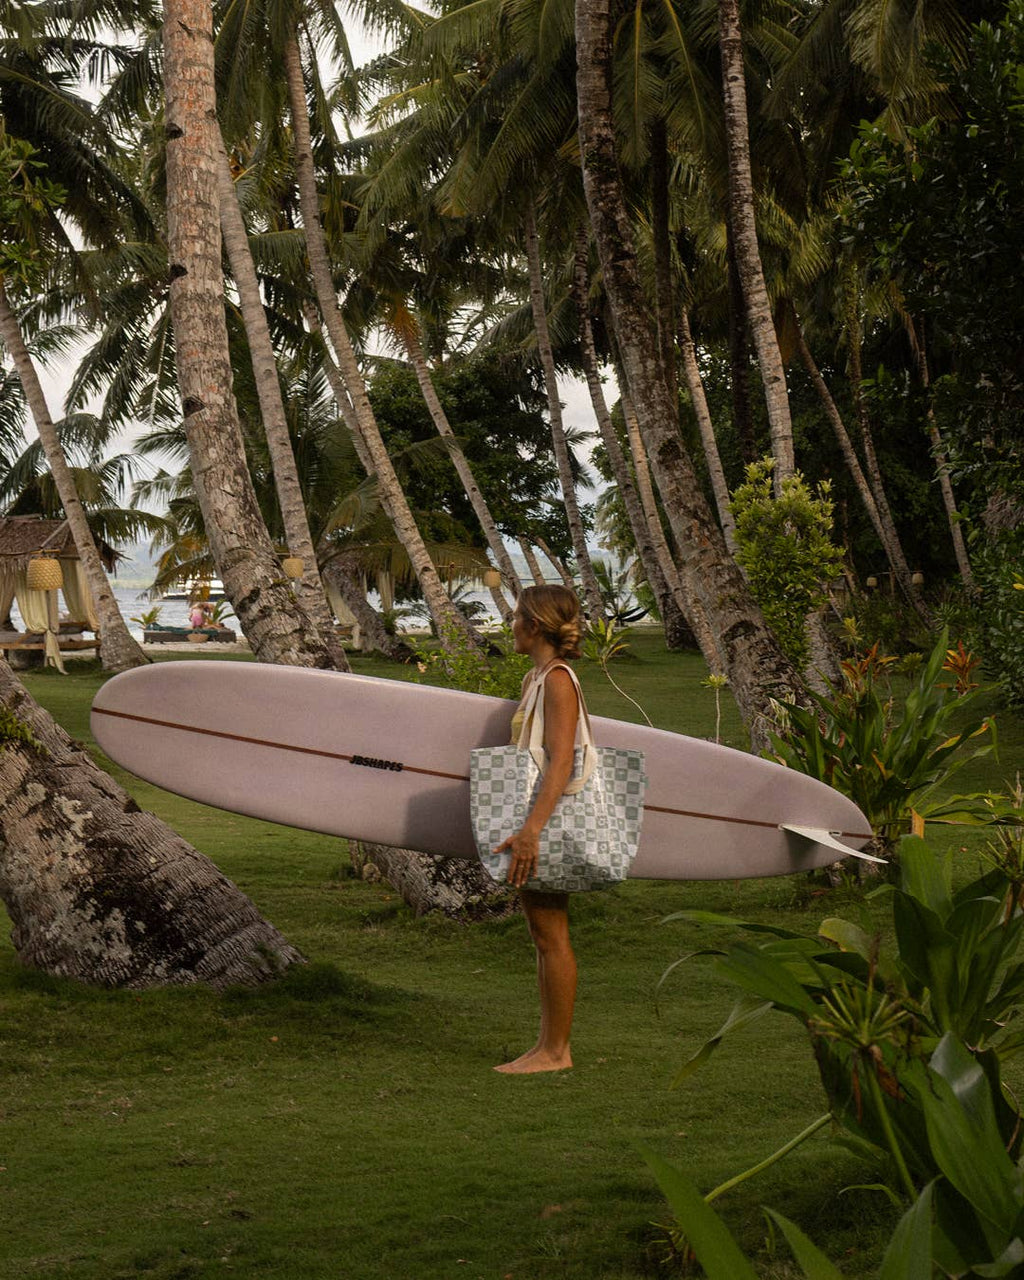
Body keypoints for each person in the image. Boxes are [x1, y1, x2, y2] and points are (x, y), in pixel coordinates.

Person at [493, 584, 585, 1075]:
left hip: (545, 822)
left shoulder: (558, 681)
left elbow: (562, 762)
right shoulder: (537, 677)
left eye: (515, 618)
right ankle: (546, 1046)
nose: (510, 626)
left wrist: (531, 830)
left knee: (552, 933)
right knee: (542, 933)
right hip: (536, 819)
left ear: (533, 625)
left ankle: (556, 1052)